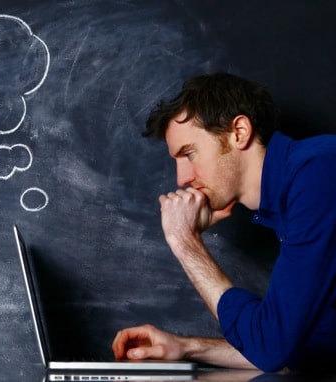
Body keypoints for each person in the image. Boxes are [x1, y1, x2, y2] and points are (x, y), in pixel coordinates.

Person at [112, 72, 336, 372]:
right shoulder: (290, 197)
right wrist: (188, 347)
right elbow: (301, 347)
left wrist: (184, 241)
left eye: (189, 153)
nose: (183, 179)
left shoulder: (320, 171)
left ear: (239, 132)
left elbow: (273, 347)